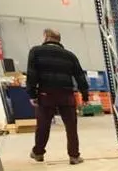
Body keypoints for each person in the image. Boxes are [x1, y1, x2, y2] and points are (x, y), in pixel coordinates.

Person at [26, 28, 88, 164]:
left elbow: (32, 74)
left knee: (43, 125)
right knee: (71, 127)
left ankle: (38, 153)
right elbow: (80, 76)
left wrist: (32, 94)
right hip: (66, 95)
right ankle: (74, 156)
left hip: (46, 94)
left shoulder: (36, 51)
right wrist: (85, 95)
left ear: (46, 37)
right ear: (59, 40)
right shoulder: (70, 55)